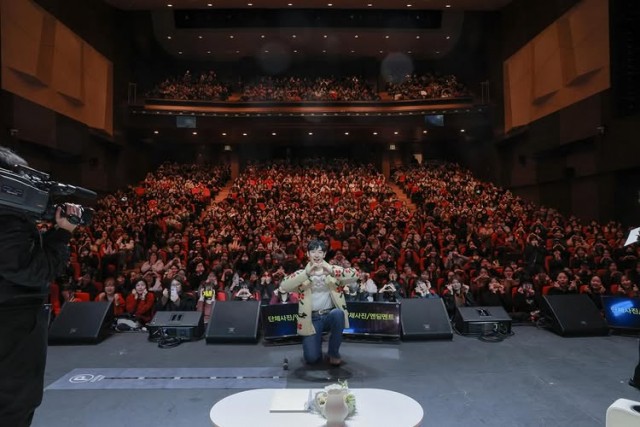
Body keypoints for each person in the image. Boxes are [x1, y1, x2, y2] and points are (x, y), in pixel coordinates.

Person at [0, 146, 80, 426]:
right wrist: (63, 233)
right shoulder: (7, 220)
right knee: (13, 406)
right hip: (12, 325)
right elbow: (33, 271)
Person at [280, 239, 359, 366]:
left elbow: (355, 275)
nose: (316, 255)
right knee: (311, 359)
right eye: (313, 252)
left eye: (320, 252)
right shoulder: (302, 274)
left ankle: (333, 353)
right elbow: (284, 285)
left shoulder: (334, 271)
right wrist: (306, 274)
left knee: (338, 314)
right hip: (312, 319)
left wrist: (331, 270)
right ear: (308, 254)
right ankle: (316, 342)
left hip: (330, 315)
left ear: (324, 254)